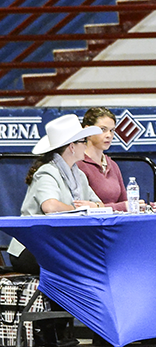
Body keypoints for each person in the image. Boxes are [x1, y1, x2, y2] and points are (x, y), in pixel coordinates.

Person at [7, 113, 104, 275]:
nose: (86, 145)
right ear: (72, 147)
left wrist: (93, 206)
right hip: (31, 247)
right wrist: (79, 210)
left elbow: (100, 204)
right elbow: (50, 206)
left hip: (57, 244)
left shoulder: (79, 175)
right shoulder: (47, 172)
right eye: (83, 141)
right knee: (77, 264)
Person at [76, 107, 128, 211]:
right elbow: (82, 207)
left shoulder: (112, 165)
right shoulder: (78, 165)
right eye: (103, 129)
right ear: (88, 131)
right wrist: (122, 207)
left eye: (112, 130)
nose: (109, 135)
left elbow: (126, 202)